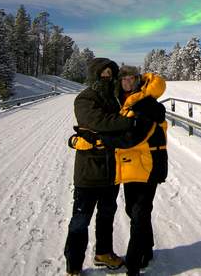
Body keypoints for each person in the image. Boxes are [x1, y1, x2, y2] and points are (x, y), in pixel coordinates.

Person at [64, 58, 135, 275]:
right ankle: (73, 265)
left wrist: (111, 130)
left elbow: (110, 127)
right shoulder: (85, 98)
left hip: (111, 170)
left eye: (110, 73)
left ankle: (103, 253)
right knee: (80, 220)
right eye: (103, 73)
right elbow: (97, 122)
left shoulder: (115, 100)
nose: (107, 76)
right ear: (95, 74)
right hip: (88, 172)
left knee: (107, 216)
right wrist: (126, 122)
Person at [112, 65, 168, 276]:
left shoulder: (146, 104)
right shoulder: (124, 102)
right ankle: (147, 248)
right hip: (131, 166)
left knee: (139, 212)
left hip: (149, 165)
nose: (127, 81)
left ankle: (134, 263)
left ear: (138, 79)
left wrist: (107, 139)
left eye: (131, 78)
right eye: (123, 78)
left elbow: (134, 137)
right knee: (132, 210)